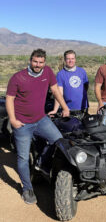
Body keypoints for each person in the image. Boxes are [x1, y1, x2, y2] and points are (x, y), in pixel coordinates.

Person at [5, 49, 70, 204]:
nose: (38, 65)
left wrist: (65, 107)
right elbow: (9, 99)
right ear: (30, 60)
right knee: (22, 157)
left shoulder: (47, 72)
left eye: (41, 62)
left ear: (45, 62)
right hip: (22, 124)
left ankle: (41, 162)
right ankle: (27, 189)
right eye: (35, 61)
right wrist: (13, 120)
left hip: (41, 119)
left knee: (59, 141)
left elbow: (55, 90)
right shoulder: (18, 78)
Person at [49, 50, 89, 116]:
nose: (71, 61)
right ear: (65, 60)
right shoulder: (60, 74)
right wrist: (55, 110)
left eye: (72, 58)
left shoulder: (82, 71)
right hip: (69, 109)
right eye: (68, 59)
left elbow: (86, 86)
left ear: (75, 59)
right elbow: (59, 93)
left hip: (83, 106)